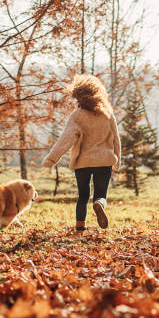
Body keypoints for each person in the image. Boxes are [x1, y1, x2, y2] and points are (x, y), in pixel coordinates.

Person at [42, 75, 121, 231]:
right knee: (101, 194)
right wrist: (117, 161)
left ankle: (80, 227)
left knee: (83, 196)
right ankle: (99, 204)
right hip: (104, 161)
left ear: (78, 96)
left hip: (82, 163)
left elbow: (65, 139)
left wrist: (51, 159)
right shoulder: (108, 114)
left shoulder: (77, 116)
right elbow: (116, 140)